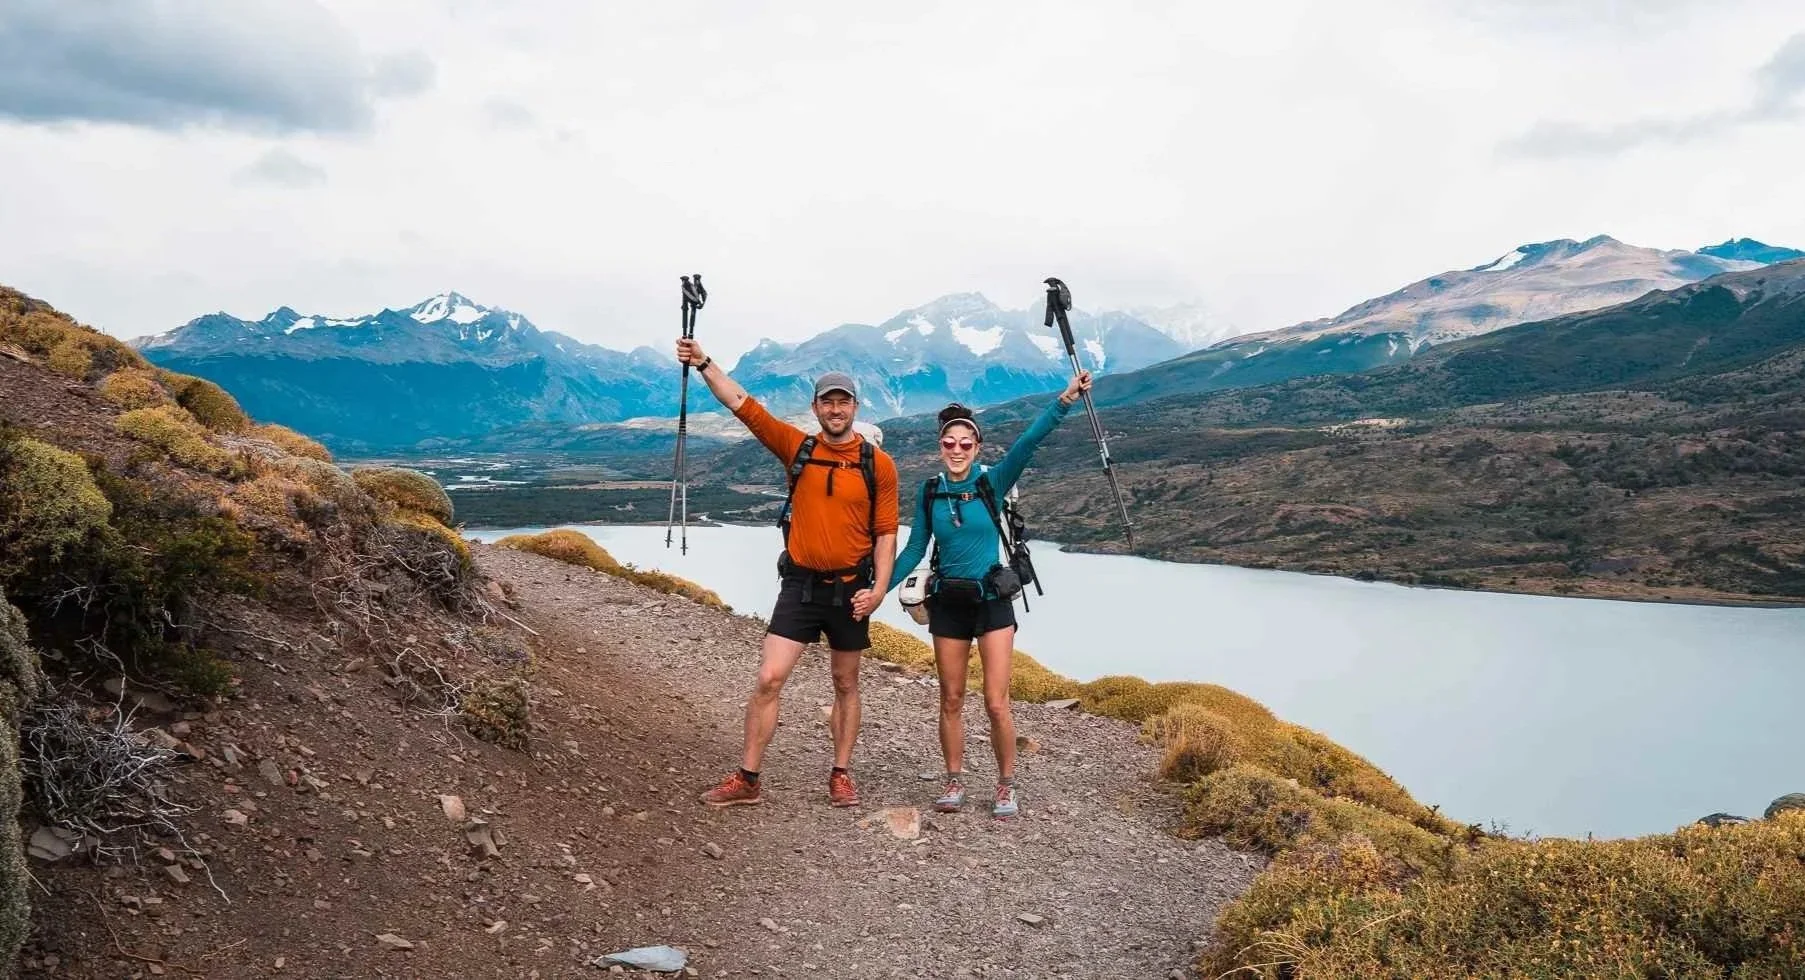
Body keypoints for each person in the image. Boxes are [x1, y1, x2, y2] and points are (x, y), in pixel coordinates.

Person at [676, 337, 900, 809]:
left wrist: (879, 589)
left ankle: (840, 773)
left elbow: (885, 533)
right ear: (815, 407)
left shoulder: (877, 464)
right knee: (769, 679)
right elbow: (744, 406)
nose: (835, 410)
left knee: (845, 683)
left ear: (855, 407)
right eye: (827, 401)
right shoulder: (796, 447)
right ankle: (748, 778)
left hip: (851, 590)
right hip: (799, 585)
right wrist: (704, 362)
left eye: (843, 402)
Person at [889, 370, 1091, 818]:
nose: (957, 449)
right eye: (949, 443)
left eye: (966, 443)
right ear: (940, 447)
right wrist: (874, 591)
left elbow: (1028, 443)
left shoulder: (992, 483)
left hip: (991, 602)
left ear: (977, 448)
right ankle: (954, 780)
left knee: (997, 702)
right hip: (948, 605)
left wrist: (1066, 398)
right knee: (951, 698)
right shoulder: (929, 493)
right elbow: (914, 550)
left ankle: (1005, 784)